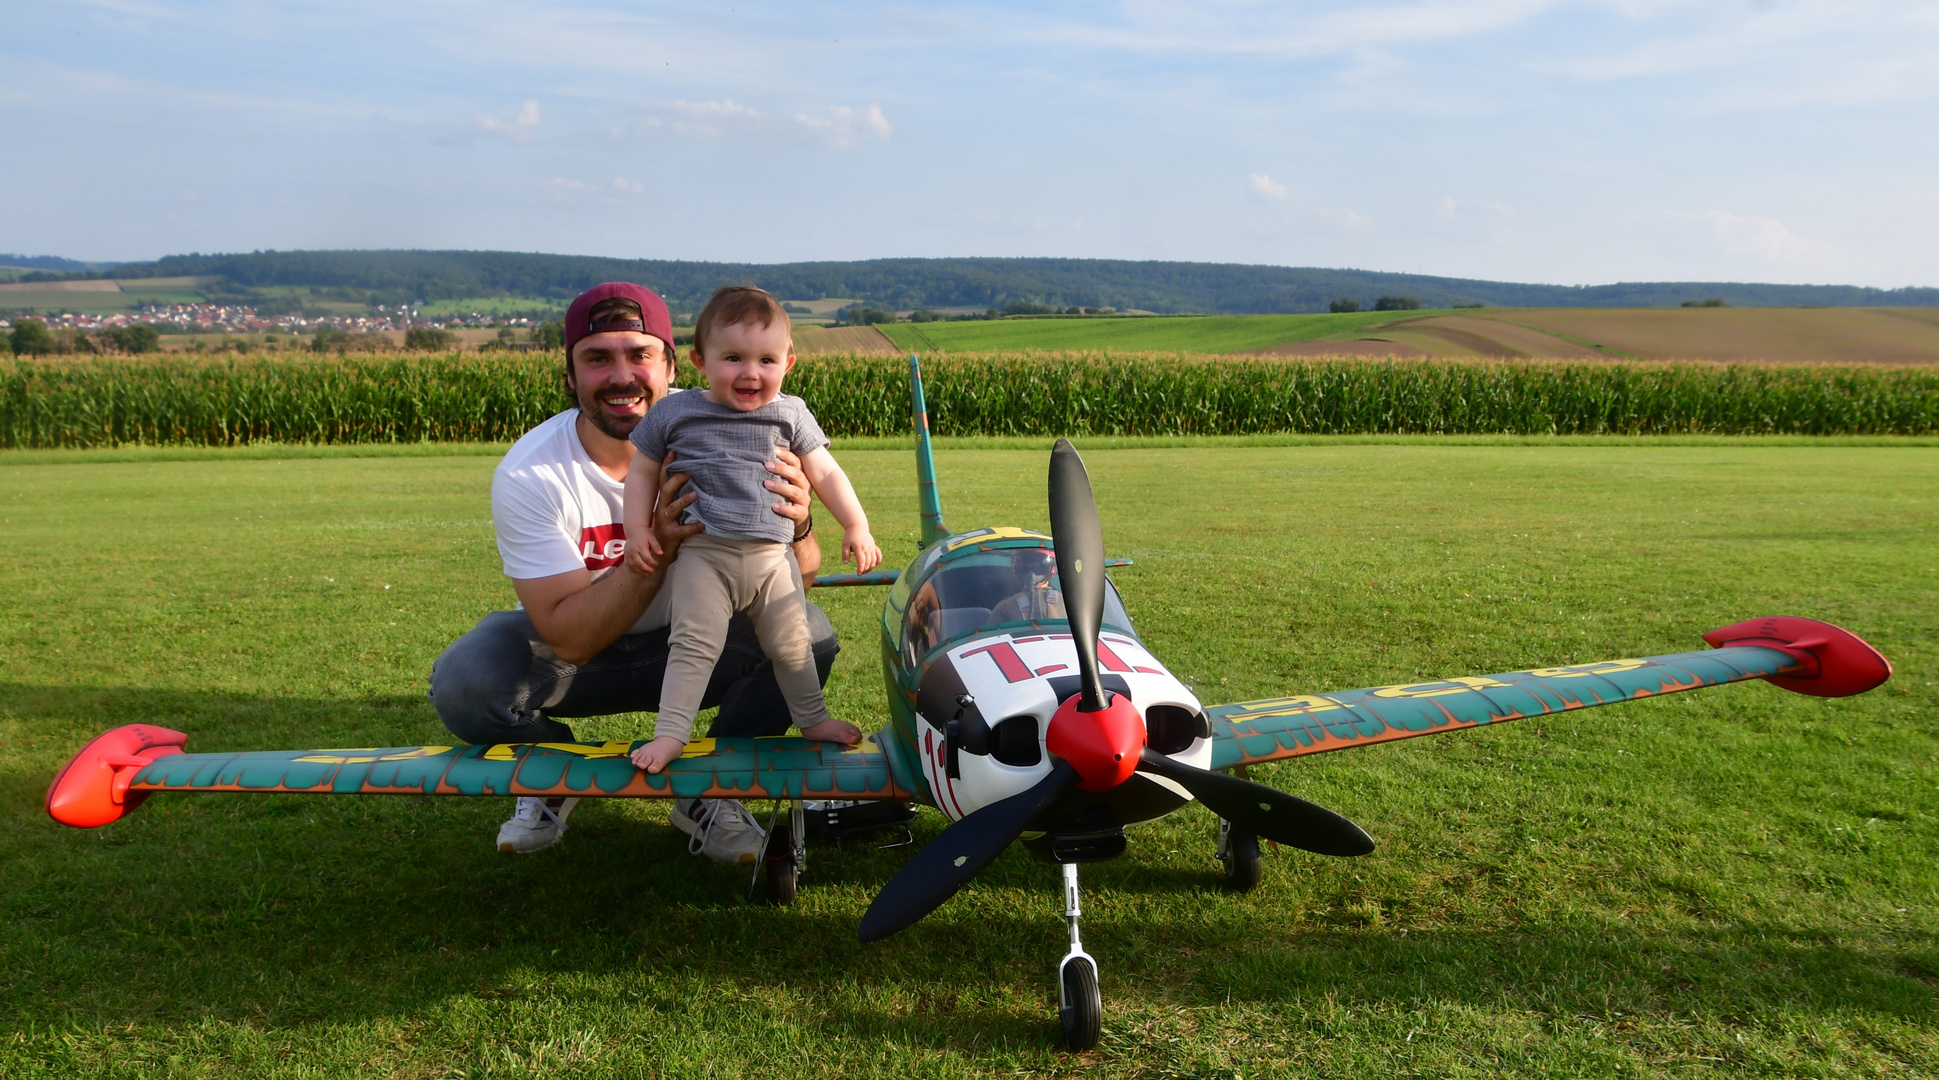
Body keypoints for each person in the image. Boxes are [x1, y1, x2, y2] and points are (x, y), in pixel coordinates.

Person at [428, 281, 839, 864]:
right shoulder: (532, 473)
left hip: (703, 634)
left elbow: (801, 575)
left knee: (810, 634)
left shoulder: (744, 433)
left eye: (640, 355)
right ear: (570, 375)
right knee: (469, 680)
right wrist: (656, 553)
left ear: (674, 366)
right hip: (583, 655)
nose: (622, 376)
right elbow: (567, 636)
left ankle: (712, 789)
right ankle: (551, 777)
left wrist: (798, 527)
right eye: (597, 358)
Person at [622, 286, 876, 775]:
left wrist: (855, 524)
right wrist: (638, 529)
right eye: (733, 357)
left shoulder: (789, 413)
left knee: (793, 643)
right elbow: (642, 471)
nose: (750, 373)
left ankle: (812, 719)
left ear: (789, 364)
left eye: (766, 360)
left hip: (772, 558)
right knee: (694, 644)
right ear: (699, 360)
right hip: (704, 554)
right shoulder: (675, 412)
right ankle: (672, 733)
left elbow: (824, 472)